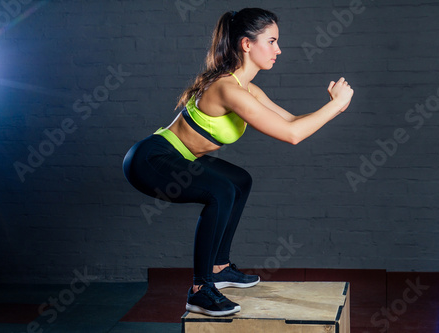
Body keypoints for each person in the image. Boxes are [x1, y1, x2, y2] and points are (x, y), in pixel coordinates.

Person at [123, 8, 354, 317]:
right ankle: (200, 289)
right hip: (150, 160)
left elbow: (293, 121)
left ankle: (219, 268)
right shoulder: (227, 89)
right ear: (247, 44)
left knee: (239, 181)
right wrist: (336, 106)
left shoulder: (249, 90)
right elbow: (292, 135)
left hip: (177, 158)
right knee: (221, 191)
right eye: (271, 42)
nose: (278, 50)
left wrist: (331, 107)